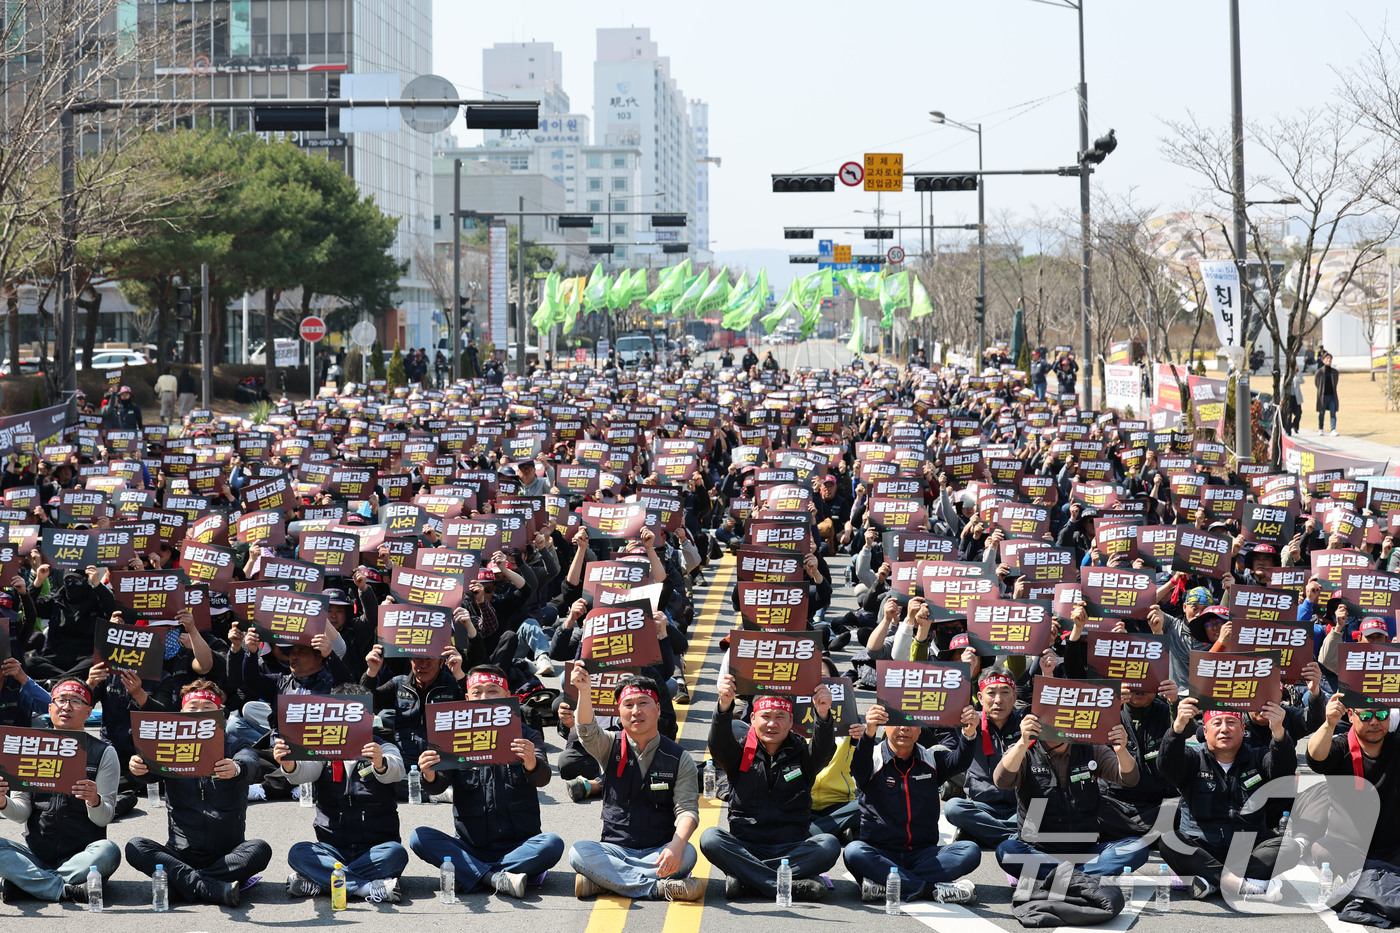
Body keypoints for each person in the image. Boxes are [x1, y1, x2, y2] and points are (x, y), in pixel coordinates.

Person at [410, 665, 563, 898]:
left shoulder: (526, 734)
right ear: (467, 698)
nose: (484, 698)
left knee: (552, 844)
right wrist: (429, 773)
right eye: (478, 692)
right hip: (471, 847)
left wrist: (531, 761)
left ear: (508, 697)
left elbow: (543, 778)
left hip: (520, 846)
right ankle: (494, 877)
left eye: (493, 691)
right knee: (419, 837)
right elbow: (437, 785)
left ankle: (473, 875)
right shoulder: (452, 734)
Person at [125, 681, 267, 907]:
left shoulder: (235, 745)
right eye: (193, 709)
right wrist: (138, 769)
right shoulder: (167, 743)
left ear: (220, 714)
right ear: (181, 713)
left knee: (259, 849)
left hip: (227, 855)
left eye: (207, 708)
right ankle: (208, 887)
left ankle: (183, 882)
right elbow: (147, 774)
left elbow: (251, 765)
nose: (200, 713)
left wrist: (236, 768)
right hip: (181, 853)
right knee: (135, 846)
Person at [566, 668, 702, 901]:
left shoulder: (679, 757)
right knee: (578, 853)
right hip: (615, 851)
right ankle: (657, 888)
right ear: (619, 712)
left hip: (659, 850)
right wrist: (584, 692)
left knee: (688, 852)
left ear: (658, 709)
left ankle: (606, 882)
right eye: (628, 705)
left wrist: (676, 846)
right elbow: (587, 732)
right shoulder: (609, 745)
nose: (636, 711)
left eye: (643, 703)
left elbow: (687, 809)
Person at [700, 675, 838, 901]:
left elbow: (823, 751)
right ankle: (784, 884)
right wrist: (724, 705)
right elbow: (718, 744)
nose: (772, 723)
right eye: (765, 716)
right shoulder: (740, 751)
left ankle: (749, 881)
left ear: (791, 720)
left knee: (829, 844)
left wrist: (822, 713)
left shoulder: (801, 752)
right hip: (747, 846)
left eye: (780, 717)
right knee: (710, 838)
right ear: (753, 718)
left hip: (793, 848)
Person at [1158, 698, 1298, 901]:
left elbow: (1283, 770)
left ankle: (1212, 881)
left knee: (1290, 847)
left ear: (1243, 729)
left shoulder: (1258, 758)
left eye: (1231, 723)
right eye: (1217, 723)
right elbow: (1167, 764)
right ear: (1205, 732)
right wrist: (1177, 727)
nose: (1224, 729)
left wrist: (1278, 730)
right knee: (1169, 841)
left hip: (1248, 851)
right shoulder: (1193, 759)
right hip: (1203, 848)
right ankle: (1244, 885)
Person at [842, 703, 981, 903]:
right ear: (884, 725)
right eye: (897, 722)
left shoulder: (931, 758)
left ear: (920, 726)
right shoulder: (871, 757)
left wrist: (968, 733)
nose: (904, 728)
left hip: (923, 854)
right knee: (854, 852)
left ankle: (888, 884)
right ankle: (928, 888)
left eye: (911, 722)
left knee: (970, 851)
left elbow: (960, 761)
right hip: (880, 853)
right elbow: (858, 767)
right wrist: (869, 732)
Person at [993, 705, 1148, 883]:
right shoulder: (1023, 751)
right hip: (1039, 851)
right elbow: (1002, 781)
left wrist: (1121, 750)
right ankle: (1083, 879)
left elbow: (1130, 778)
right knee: (1007, 850)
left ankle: (1063, 879)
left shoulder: (1091, 749)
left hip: (1086, 852)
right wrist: (1022, 743)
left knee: (1137, 847)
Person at [279, 693, 408, 903]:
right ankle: (364, 888)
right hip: (333, 849)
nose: (346, 723)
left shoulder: (381, 746)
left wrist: (380, 763)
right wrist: (289, 764)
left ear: (370, 717)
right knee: (298, 852)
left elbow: (396, 770)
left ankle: (322, 883)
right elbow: (303, 772)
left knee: (396, 854)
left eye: (354, 716)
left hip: (375, 849)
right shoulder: (321, 748)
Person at [0, 679, 120, 903]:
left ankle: (29, 884)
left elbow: (104, 818)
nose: (66, 707)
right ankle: (65, 889)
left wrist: (94, 800)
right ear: (49, 708)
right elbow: (22, 813)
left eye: (75, 701)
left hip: (84, 857)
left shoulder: (104, 752)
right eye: (61, 700)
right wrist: (3, 802)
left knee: (109, 851)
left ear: (89, 712)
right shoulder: (29, 746)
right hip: (36, 856)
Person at [1304, 692, 1400, 869]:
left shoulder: (1396, 745)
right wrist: (1329, 723)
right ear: (1350, 715)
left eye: (1381, 714)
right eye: (1365, 715)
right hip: (1349, 848)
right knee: (1322, 850)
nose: (1374, 722)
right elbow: (1315, 758)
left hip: (1394, 849)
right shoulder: (1341, 747)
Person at [941, 667, 1024, 847]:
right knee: (953, 807)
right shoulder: (970, 721)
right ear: (980, 697)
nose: (998, 700)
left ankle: (984, 833)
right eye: (991, 693)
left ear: (1015, 696)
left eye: (1004, 692)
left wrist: (1048, 675)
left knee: (1045, 808)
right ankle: (1014, 838)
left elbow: (1048, 711)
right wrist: (966, 672)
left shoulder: (1025, 722)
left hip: (1020, 806)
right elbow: (953, 700)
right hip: (981, 807)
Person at [1315, 351, 1340, 435]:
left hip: (1332, 395)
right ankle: (1320, 428)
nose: (1329, 360)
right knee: (1322, 413)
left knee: (1333, 413)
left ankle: (1333, 429)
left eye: (1330, 358)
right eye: (1327, 358)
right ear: (1323, 360)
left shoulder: (1335, 372)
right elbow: (1317, 383)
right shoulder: (1319, 372)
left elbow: (1336, 382)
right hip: (1323, 395)